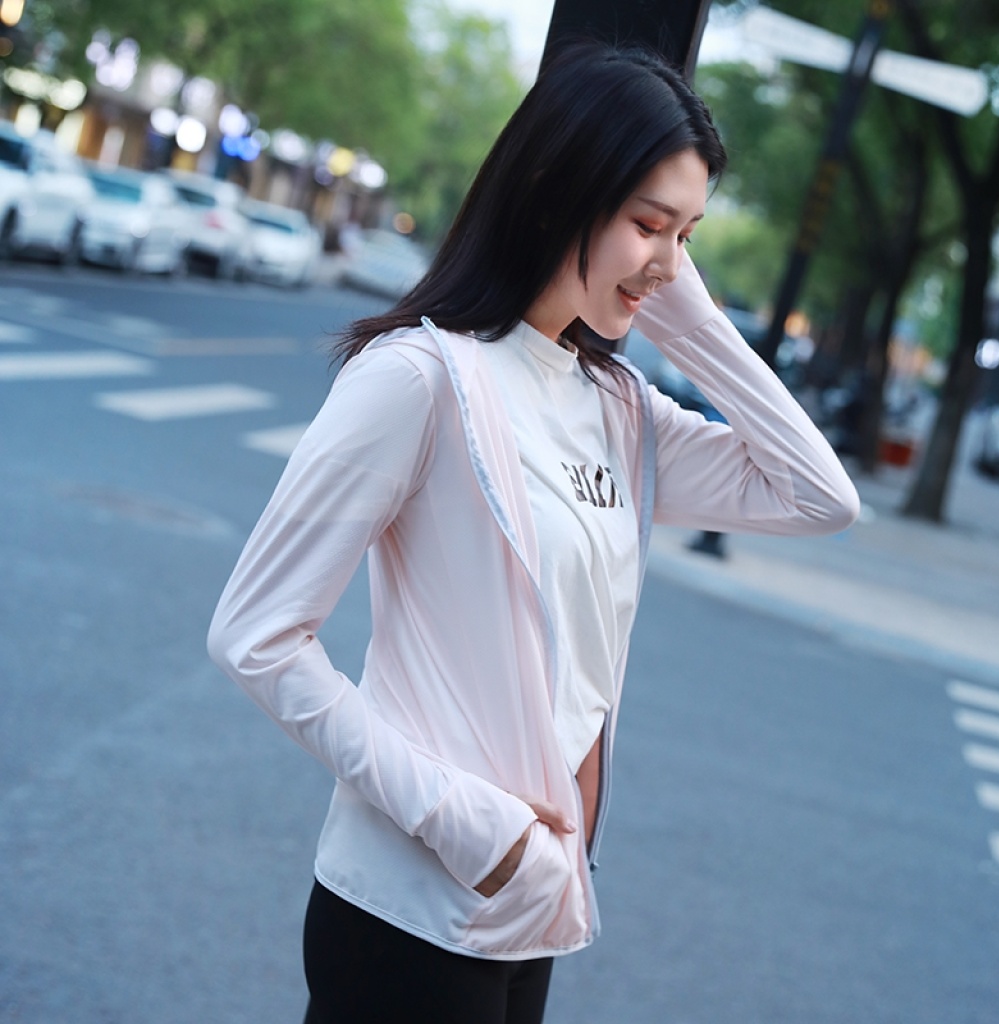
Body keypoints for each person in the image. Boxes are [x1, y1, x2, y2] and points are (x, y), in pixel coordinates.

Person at [207, 41, 859, 1024]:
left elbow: (818, 496)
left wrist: (679, 310)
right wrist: (463, 820)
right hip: (409, 906)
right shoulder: (419, 378)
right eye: (648, 223)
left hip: (533, 905)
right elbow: (254, 634)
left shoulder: (618, 408)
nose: (668, 262)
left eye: (686, 236)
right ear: (558, 192)